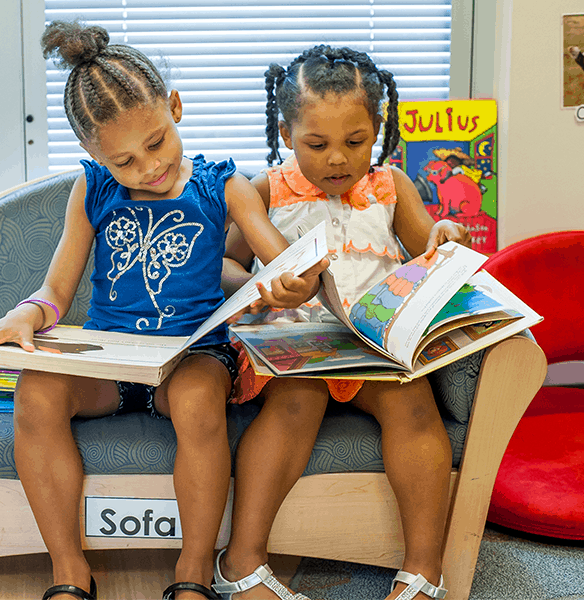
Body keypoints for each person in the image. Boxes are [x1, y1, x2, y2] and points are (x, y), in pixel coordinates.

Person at [0, 21, 325, 600]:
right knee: (37, 391)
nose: (148, 168)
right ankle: (69, 572)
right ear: (93, 155)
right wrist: (28, 313)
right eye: (123, 161)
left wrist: (297, 284)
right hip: (110, 360)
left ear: (174, 108)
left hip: (192, 357)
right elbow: (56, 288)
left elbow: (284, 261)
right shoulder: (92, 190)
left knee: (199, 398)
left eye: (156, 143)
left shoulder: (224, 185)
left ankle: (193, 573)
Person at [216, 45, 472, 600]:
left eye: (355, 142)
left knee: (414, 405)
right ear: (286, 134)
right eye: (317, 144)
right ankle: (242, 562)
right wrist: (256, 287)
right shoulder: (265, 190)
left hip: (373, 344)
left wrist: (443, 239)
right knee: (295, 402)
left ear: (377, 129)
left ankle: (423, 571)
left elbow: (425, 243)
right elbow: (226, 262)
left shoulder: (391, 187)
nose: (338, 158)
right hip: (294, 344)